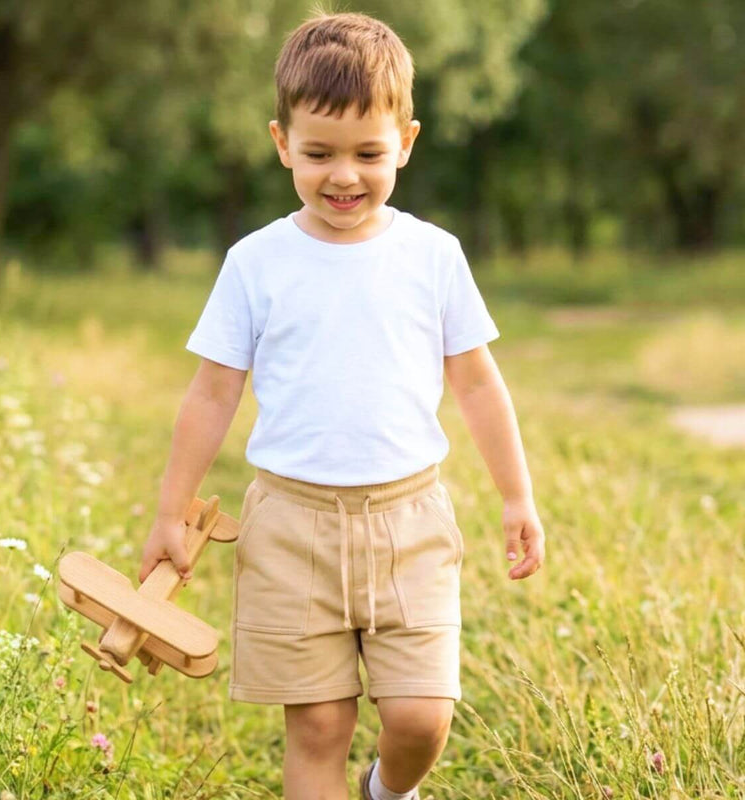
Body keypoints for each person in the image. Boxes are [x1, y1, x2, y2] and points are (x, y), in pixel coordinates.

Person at [138, 11, 546, 800]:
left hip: (410, 522)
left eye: (369, 153)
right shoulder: (256, 262)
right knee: (318, 725)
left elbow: (477, 383)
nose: (344, 176)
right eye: (319, 153)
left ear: (408, 142)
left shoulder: (432, 256)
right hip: (290, 528)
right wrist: (169, 510)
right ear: (281, 141)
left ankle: (387, 791)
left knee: (422, 716)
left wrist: (516, 495)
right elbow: (213, 391)